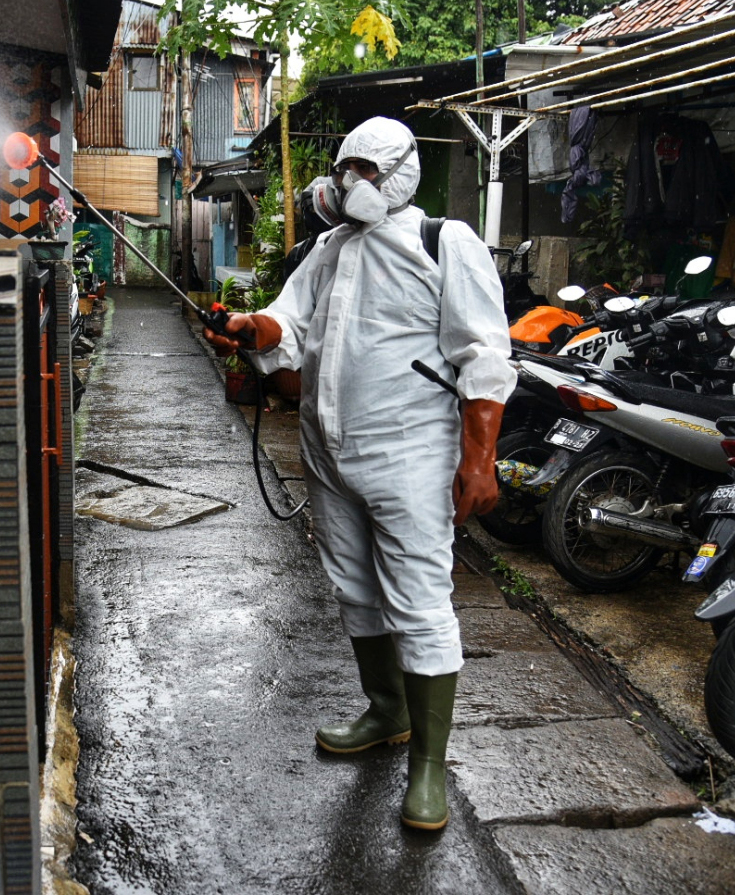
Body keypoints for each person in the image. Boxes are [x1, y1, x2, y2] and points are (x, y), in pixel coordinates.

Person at [205, 116, 515, 830]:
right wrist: (249, 327)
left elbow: (484, 358)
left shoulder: (445, 242)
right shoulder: (328, 247)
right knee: (352, 585)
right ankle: (385, 711)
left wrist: (478, 460)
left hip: (408, 455)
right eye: (347, 169)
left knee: (418, 600)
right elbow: (289, 322)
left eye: (367, 170)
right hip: (327, 451)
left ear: (404, 171)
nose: (353, 183)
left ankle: (429, 768)